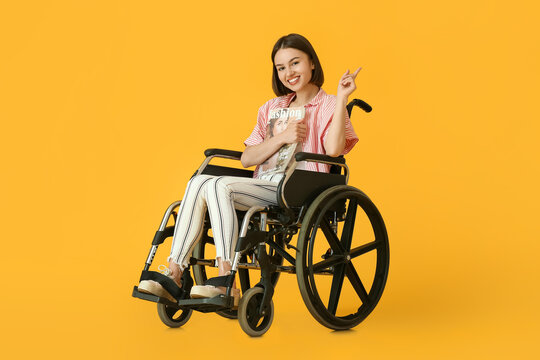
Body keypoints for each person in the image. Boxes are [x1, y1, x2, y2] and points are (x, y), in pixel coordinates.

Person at [137, 33, 361, 305]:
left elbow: (335, 150)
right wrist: (281, 137)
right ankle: (175, 273)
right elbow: (247, 159)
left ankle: (224, 279)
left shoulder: (328, 104)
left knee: (218, 185)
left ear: (312, 62)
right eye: (281, 68)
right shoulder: (271, 108)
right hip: (264, 182)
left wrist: (342, 99)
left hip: (299, 187)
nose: (288, 73)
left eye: (295, 63)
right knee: (199, 181)